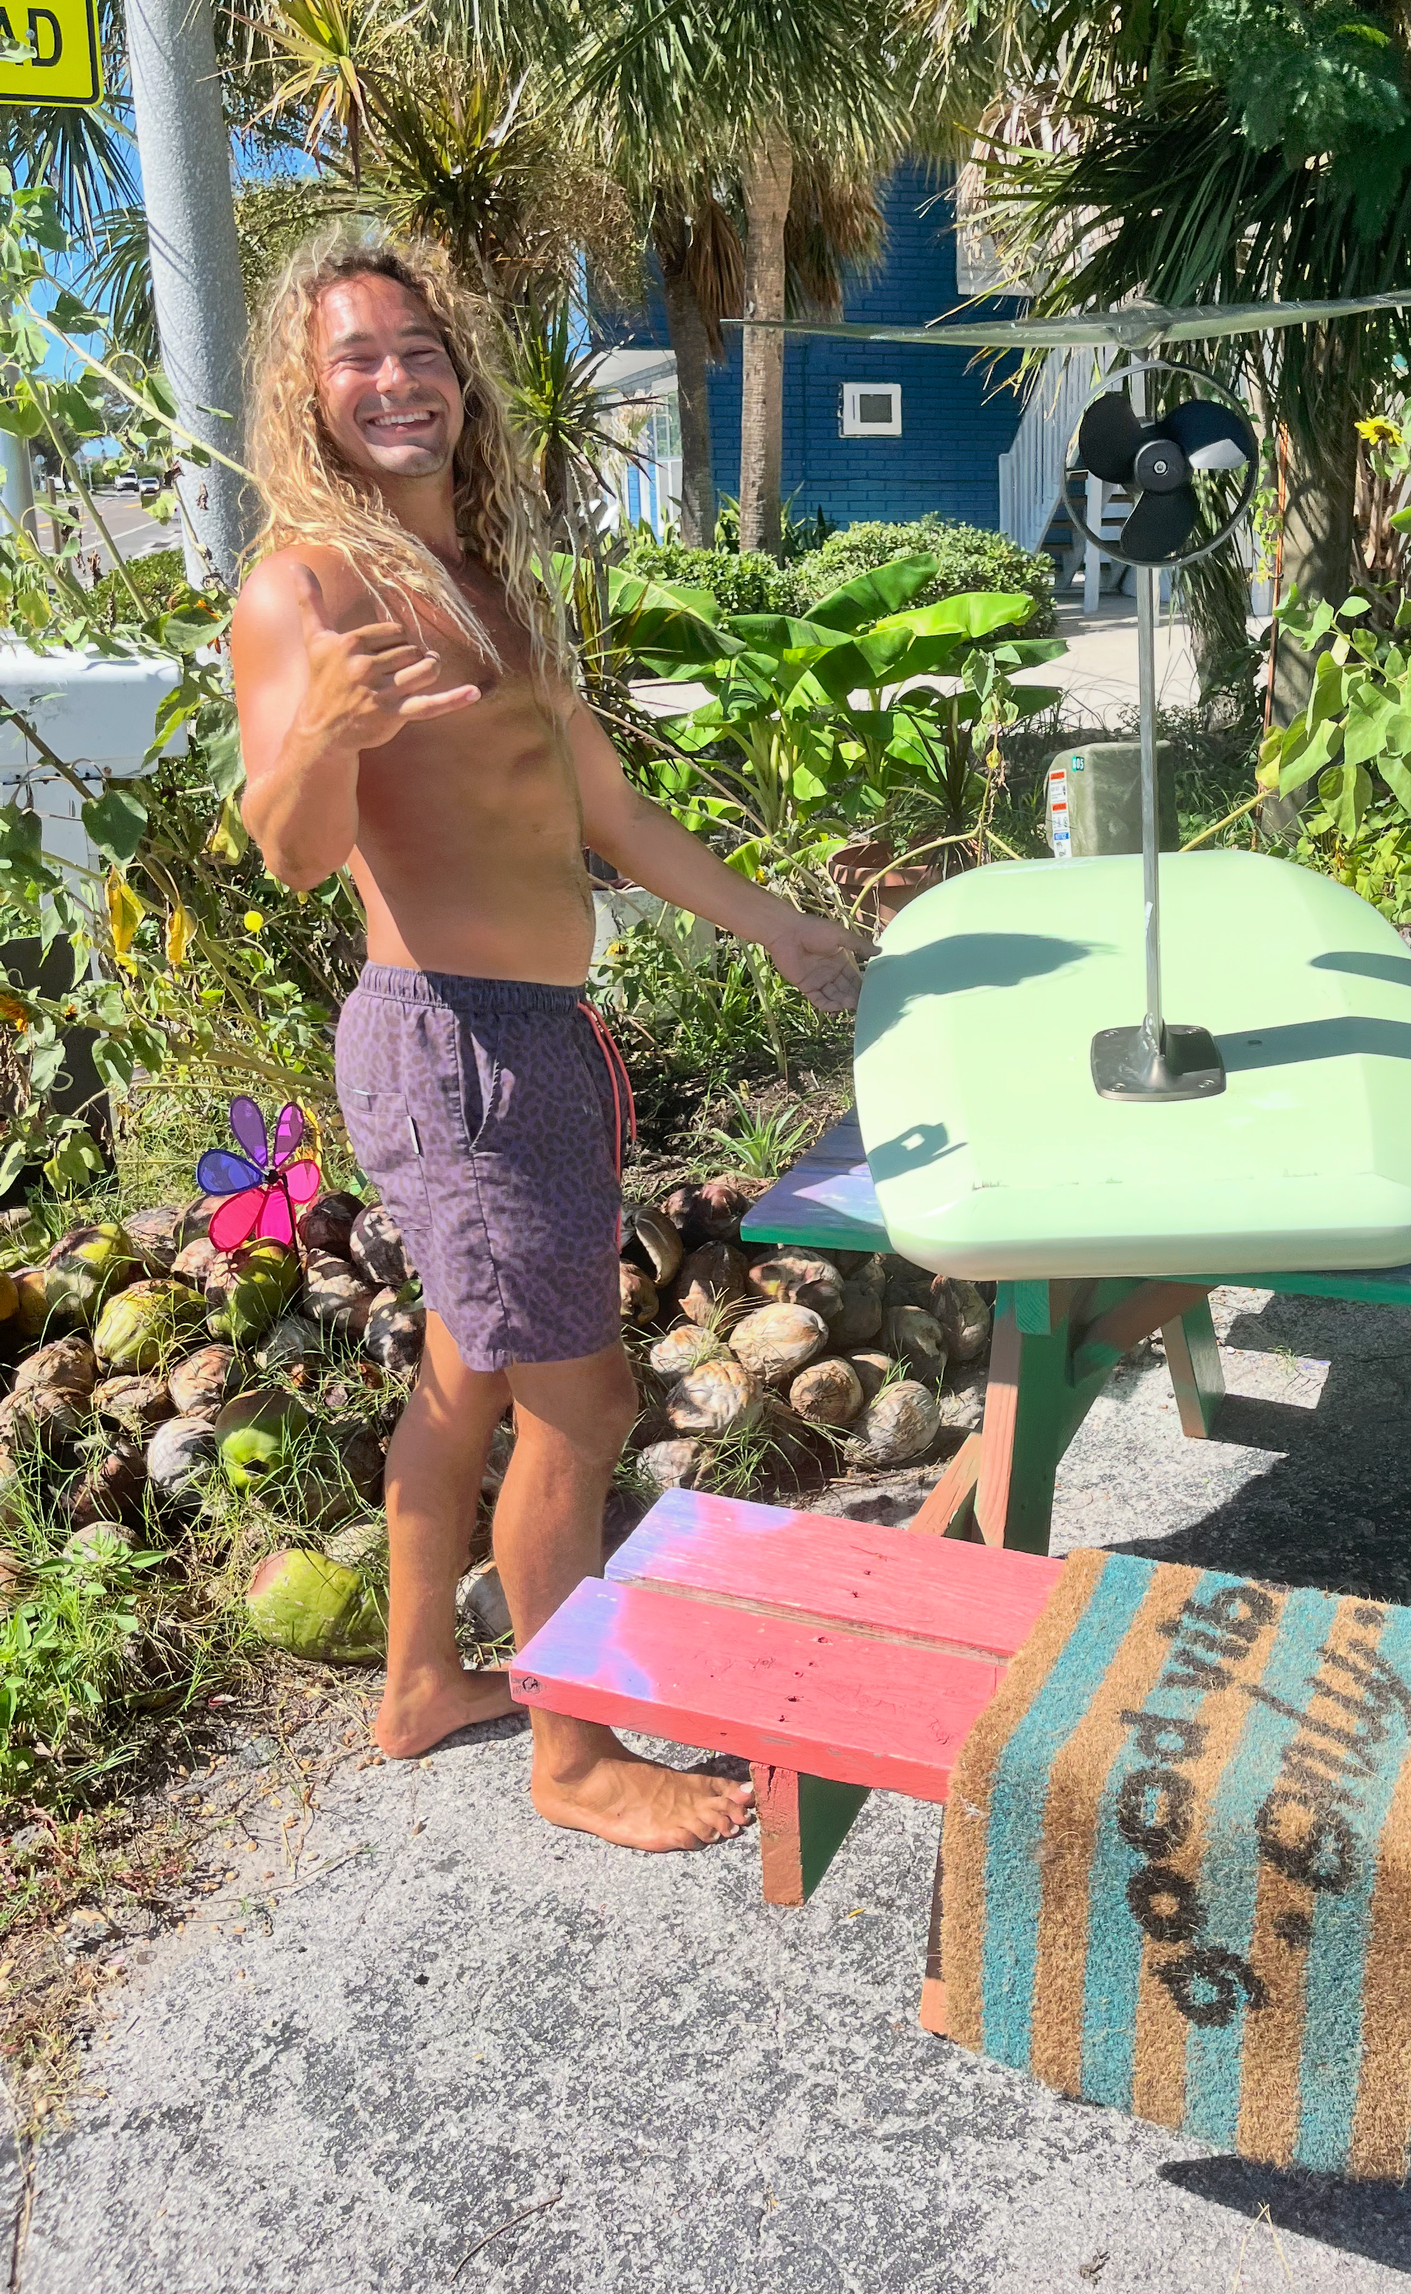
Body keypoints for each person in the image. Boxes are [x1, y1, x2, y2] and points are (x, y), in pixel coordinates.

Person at [230, 232, 868, 1852]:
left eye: (420, 349)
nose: (396, 379)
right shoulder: (299, 589)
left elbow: (603, 807)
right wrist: (322, 736)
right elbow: (291, 849)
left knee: (465, 1383)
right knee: (578, 1412)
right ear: (308, 392)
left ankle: (421, 1682)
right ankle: (574, 1758)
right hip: (453, 1051)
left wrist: (773, 925)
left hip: (539, 1038)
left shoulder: (488, 582)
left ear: (461, 376)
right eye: (358, 354)